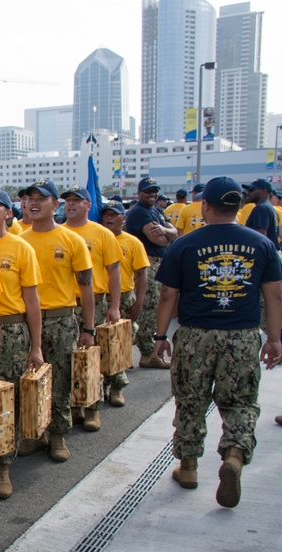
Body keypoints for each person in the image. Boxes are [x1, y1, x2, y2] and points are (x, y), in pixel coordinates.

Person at [154, 176, 282, 508]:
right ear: (239, 206)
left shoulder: (184, 244)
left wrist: (159, 336)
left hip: (196, 335)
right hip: (241, 335)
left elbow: (168, 294)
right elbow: (275, 297)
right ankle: (235, 456)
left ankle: (189, 467)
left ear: (205, 206)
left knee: (191, 401)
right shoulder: (262, 245)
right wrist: (275, 338)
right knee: (240, 403)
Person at [0, 187, 43, 499]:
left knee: (7, 399)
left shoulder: (21, 248)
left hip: (12, 331)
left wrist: (36, 346)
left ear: (8, 213)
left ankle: (2, 464)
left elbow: (32, 302)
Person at [20, 178, 95, 462]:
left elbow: (85, 288)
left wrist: (88, 328)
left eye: (41, 198)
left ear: (56, 204)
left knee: (60, 379)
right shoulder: (19, 240)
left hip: (62, 319)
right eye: (29, 198)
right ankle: (34, 433)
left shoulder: (72, 240)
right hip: (26, 322)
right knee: (28, 379)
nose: (34, 203)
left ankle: (58, 434)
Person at [61, 185, 123, 430]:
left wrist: (115, 306)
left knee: (90, 359)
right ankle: (71, 407)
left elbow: (114, 272)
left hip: (94, 303)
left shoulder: (102, 234)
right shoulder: (58, 232)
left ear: (89, 205)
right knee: (66, 361)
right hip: (65, 307)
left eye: (78, 200)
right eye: (68, 200)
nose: (72, 204)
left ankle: (92, 408)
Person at [98, 201, 150, 407]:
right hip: (103, 297)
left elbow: (142, 274)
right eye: (106, 214)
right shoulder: (99, 238)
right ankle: (99, 388)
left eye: (114, 215)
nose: (109, 218)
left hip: (125, 296)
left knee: (119, 346)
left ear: (123, 218)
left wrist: (139, 300)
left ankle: (117, 387)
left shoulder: (132, 242)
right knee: (101, 347)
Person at [125, 177, 177, 369]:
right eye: (148, 191)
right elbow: (160, 241)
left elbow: (173, 232)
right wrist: (167, 234)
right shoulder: (139, 212)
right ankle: (147, 353)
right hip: (147, 263)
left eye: (154, 191)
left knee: (153, 309)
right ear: (139, 193)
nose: (152, 194)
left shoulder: (155, 211)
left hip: (159, 263)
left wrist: (164, 229)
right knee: (147, 309)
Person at [241, 179, 280, 251]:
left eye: (251, 190)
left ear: (263, 191)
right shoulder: (270, 208)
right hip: (272, 252)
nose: (248, 193)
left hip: (265, 254)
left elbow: (260, 237)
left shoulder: (261, 208)